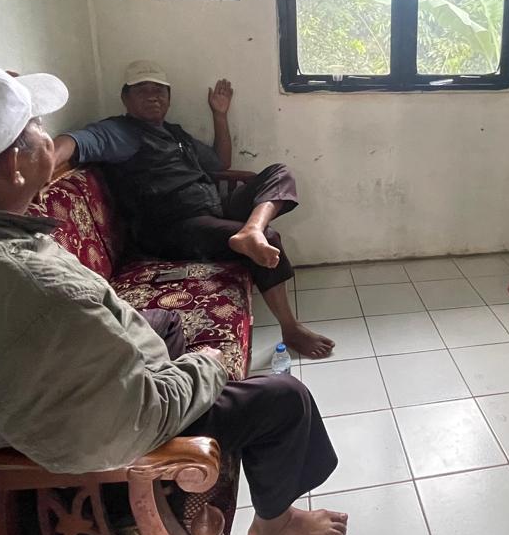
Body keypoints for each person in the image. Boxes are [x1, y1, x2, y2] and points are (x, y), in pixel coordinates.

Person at [0, 53, 347, 535]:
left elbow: (212, 164)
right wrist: (207, 366)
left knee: (163, 322)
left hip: (7, 403)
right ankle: (274, 528)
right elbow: (127, 426)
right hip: (82, 457)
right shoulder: (39, 290)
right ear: (14, 165)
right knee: (285, 400)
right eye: (35, 126)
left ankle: (242, 247)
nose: (46, 135)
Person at [52, 61, 333, 359]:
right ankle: (291, 329)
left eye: (159, 90)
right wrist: (46, 158)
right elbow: (74, 141)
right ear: (125, 98)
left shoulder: (175, 134)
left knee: (279, 172)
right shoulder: (120, 132)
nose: (153, 96)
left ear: (169, 97)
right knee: (270, 237)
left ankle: (251, 229)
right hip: (174, 227)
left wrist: (219, 115)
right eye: (142, 90)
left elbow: (220, 162)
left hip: (210, 207)